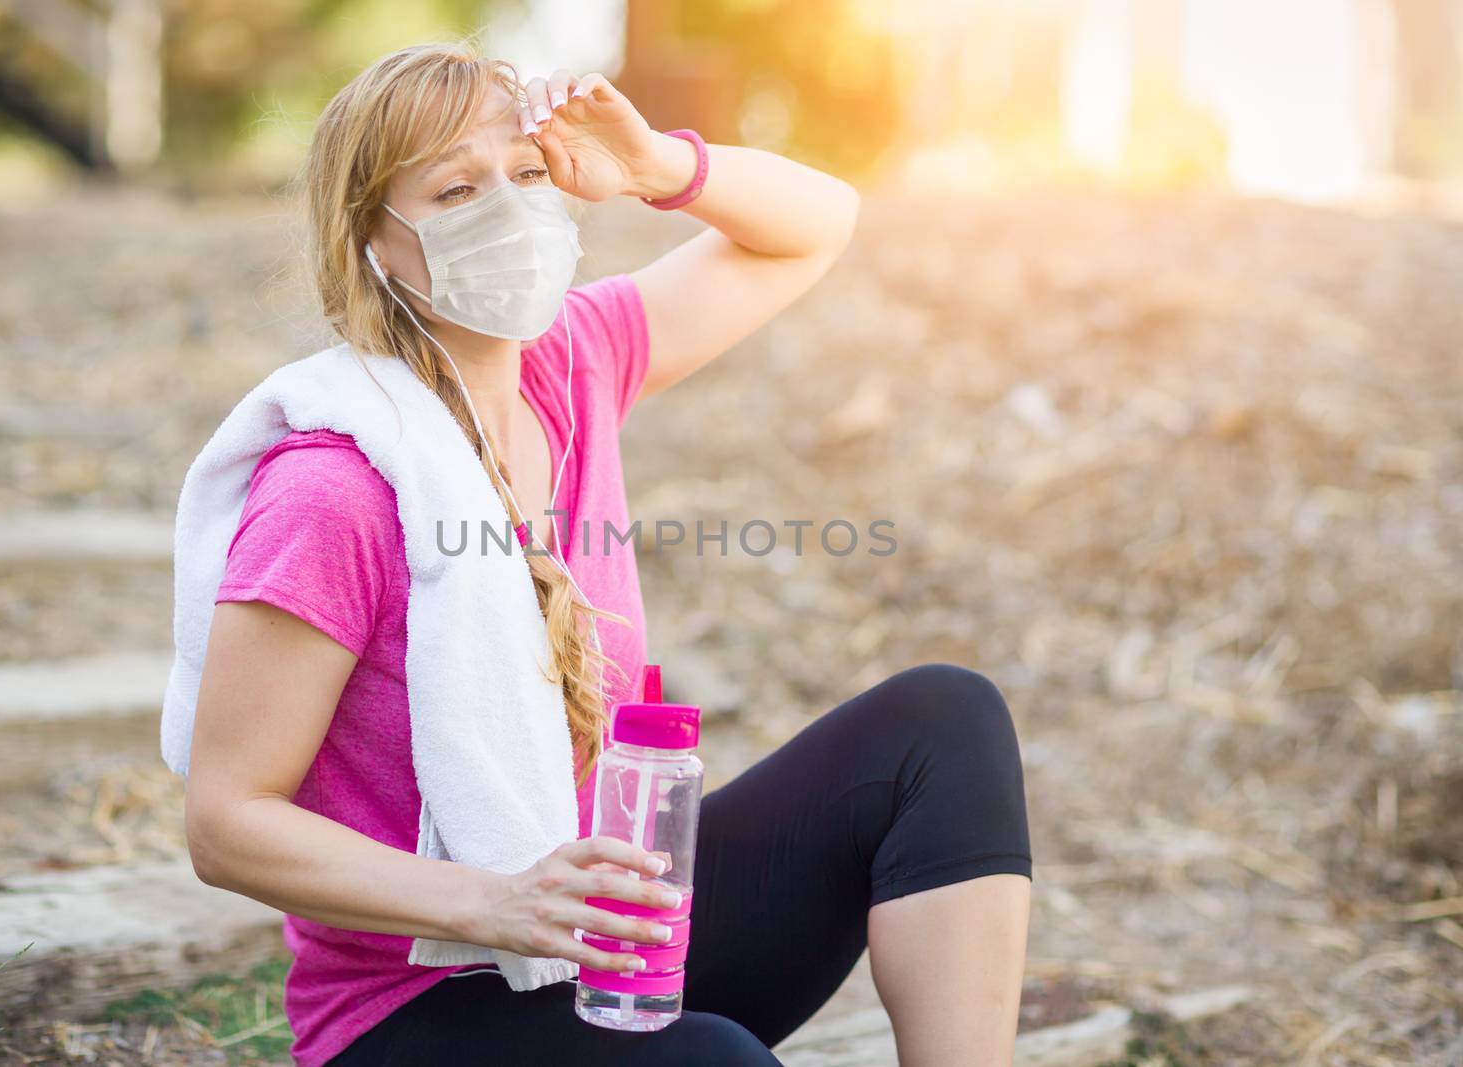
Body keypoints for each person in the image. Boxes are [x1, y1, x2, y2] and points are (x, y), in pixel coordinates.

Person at [182, 37, 1032, 1067]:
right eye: (456, 190)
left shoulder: (572, 362)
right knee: (716, 1059)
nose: (509, 206)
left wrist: (657, 170)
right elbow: (227, 822)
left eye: (527, 172)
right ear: (374, 244)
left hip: (599, 934)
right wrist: (500, 899)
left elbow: (815, 226)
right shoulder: (332, 488)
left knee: (938, 722)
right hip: (420, 1006)